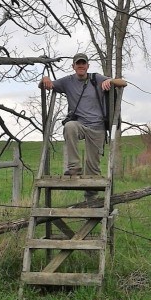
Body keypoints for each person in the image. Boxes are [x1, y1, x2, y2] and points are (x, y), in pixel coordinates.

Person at [40, 53, 127, 202]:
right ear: (73, 66)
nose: (81, 66)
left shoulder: (96, 78)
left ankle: (91, 199)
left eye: (83, 63)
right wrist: (45, 79)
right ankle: (73, 167)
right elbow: (46, 85)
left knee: (93, 167)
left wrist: (111, 81)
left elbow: (123, 82)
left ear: (87, 66)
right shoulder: (67, 82)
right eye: (78, 63)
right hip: (79, 123)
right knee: (69, 126)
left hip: (98, 127)